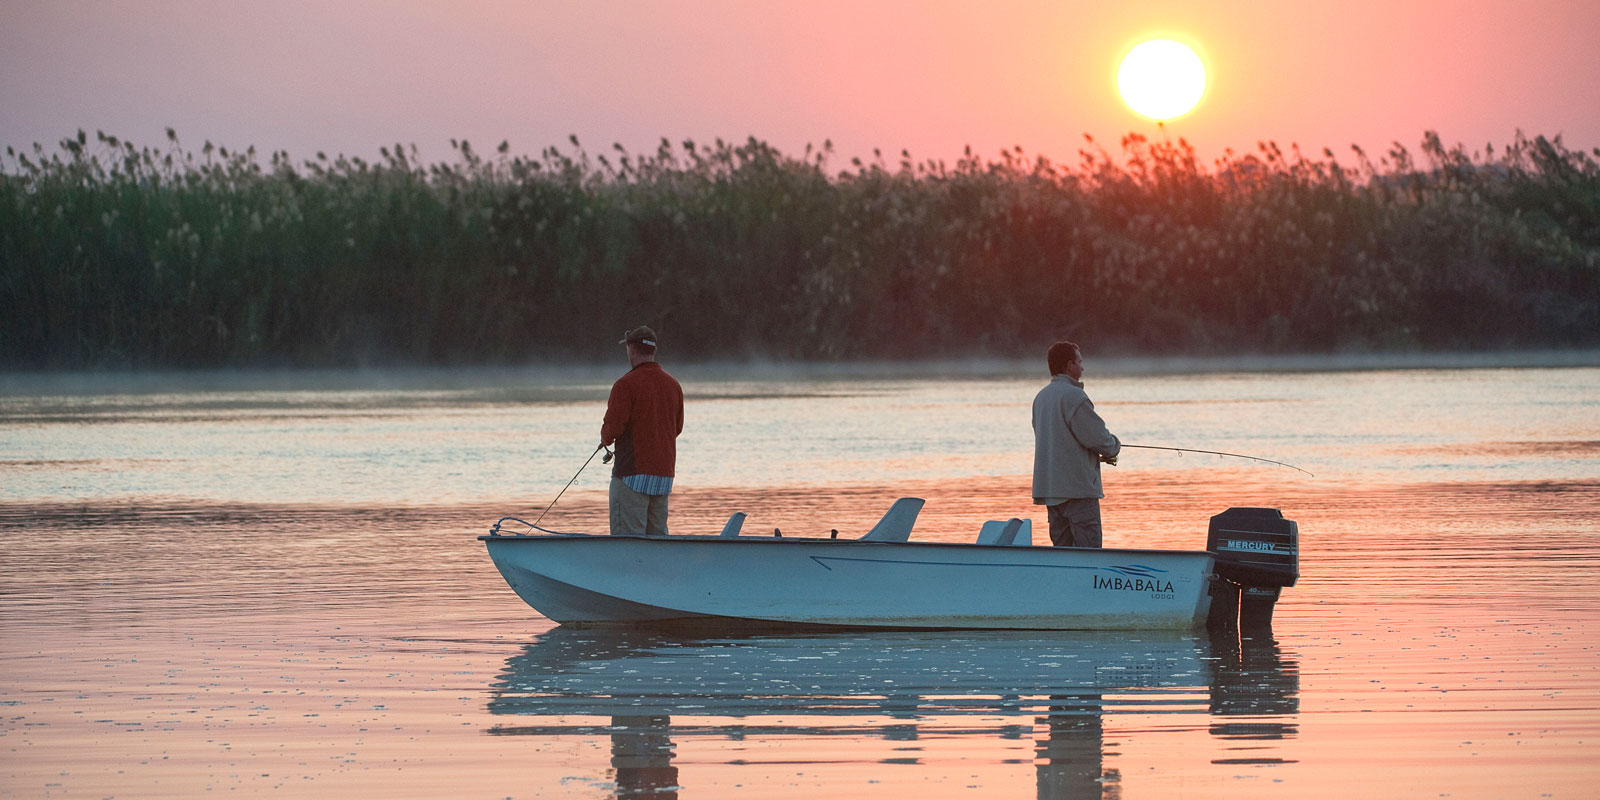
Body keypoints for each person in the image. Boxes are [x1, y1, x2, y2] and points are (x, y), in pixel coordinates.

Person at [1032, 341, 1120, 548]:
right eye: (1080, 361)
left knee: (1063, 557)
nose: (1083, 366)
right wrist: (1115, 446)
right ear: (1069, 365)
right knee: (1089, 554)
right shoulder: (1074, 396)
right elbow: (1098, 439)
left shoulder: (1041, 398)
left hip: (1051, 490)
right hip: (1078, 492)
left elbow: (1058, 441)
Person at [601, 326, 684, 536]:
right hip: (663, 477)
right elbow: (677, 428)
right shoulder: (673, 385)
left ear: (631, 349)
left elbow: (611, 430)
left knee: (628, 543)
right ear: (653, 351)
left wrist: (605, 438)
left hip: (631, 476)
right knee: (657, 543)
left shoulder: (625, 385)